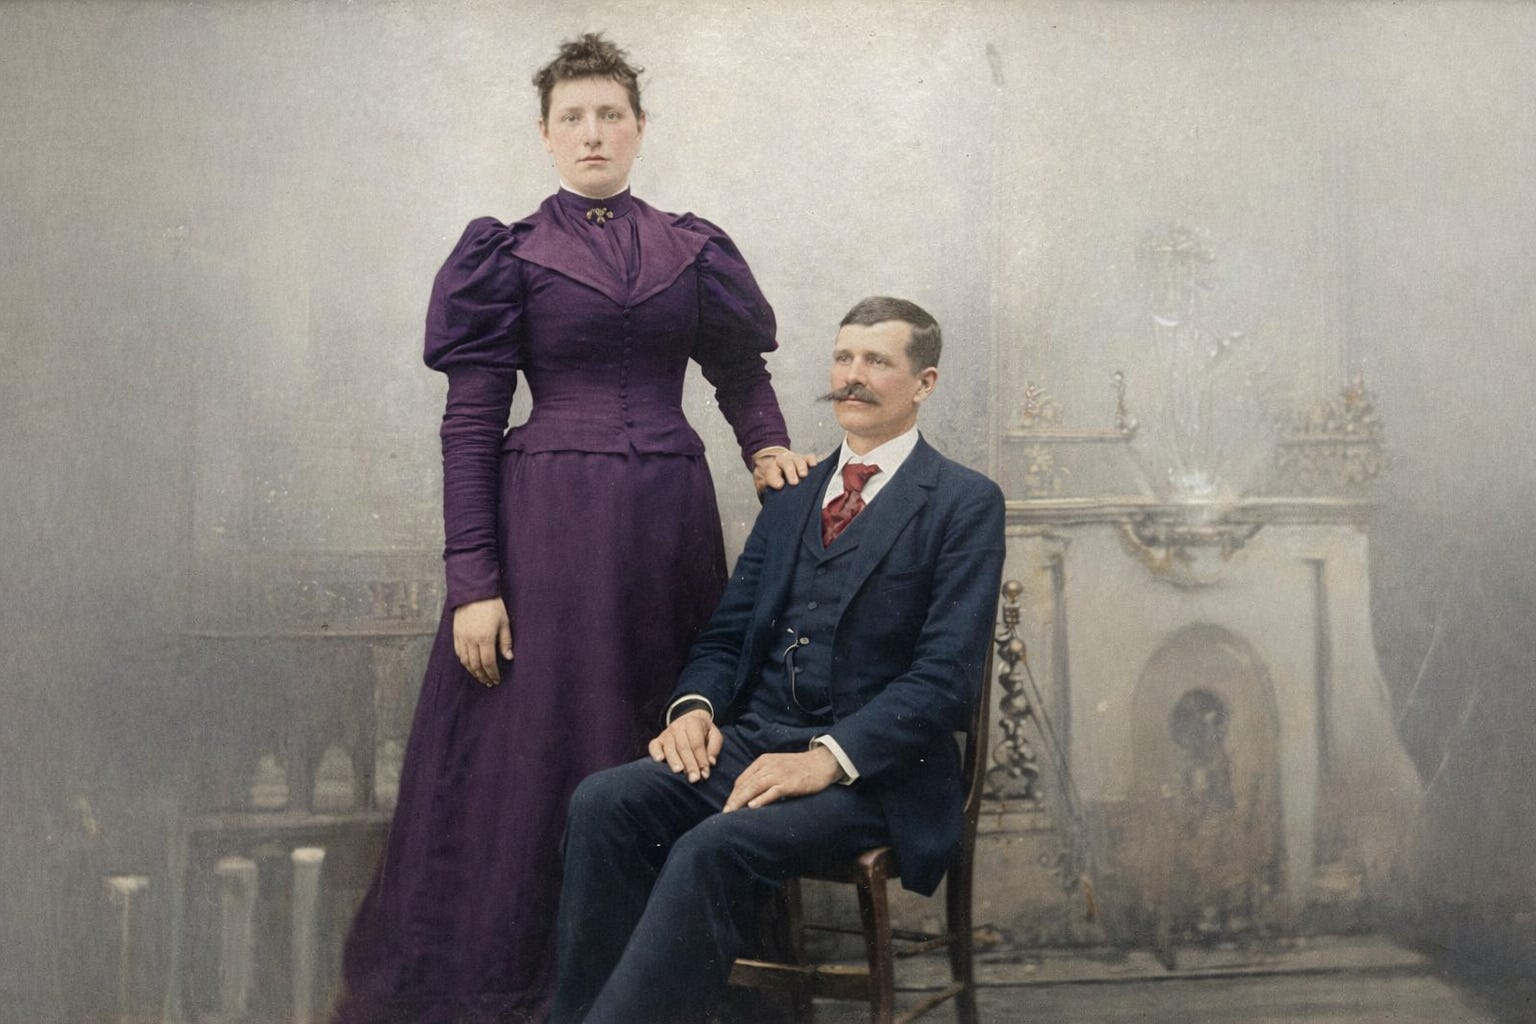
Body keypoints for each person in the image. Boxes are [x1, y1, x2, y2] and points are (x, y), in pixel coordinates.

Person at [334, 33, 813, 1024]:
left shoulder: (693, 249)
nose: (592, 133)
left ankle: (662, 992)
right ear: (546, 136)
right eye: (572, 118)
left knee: (669, 731)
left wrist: (767, 445)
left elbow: (740, 373)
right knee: (548, 754)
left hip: (668, 534)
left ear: (638, 129)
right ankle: (544, 991)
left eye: (609, 115)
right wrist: (474, 581)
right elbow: (471, 423)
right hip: (548, 537)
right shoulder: (507, 255)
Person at [550, 297, 1007, 1024]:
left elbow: (944, 682)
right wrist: (694, 709)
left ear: (925, 383)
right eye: (843, 357)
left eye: (877, 361)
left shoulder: (963, 502)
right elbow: (726, 637)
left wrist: (827, 759)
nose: (852, 377)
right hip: (756, 744)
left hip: (876, 778)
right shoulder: (793, 498)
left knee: (714, 847)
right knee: (604, 802)